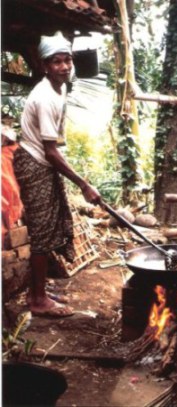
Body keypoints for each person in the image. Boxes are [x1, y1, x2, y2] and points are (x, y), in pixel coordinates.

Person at [13, 32, 101, 317]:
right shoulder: (44, 97)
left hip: (42, 160)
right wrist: (84, 185)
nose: (64, 66)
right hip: (35, 163)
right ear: (44, 66)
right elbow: (50, 151)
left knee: (49, 230)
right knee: (41, 235)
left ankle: (36, 289)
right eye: (56, 62)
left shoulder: (59, 88)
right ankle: (37, 301)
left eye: (68, 60)